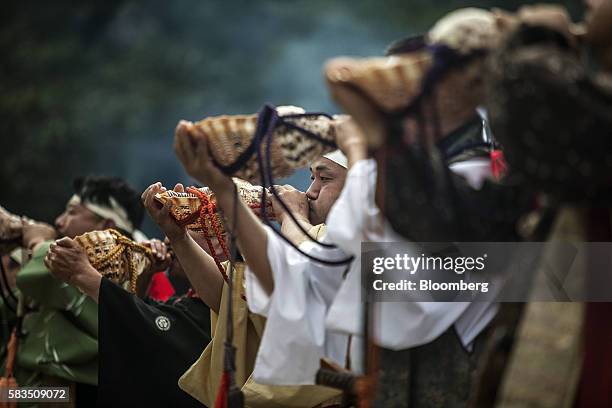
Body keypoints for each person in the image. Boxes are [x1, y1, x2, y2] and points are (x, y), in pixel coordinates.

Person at [46, 227, 213, 407]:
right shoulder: (190, 301)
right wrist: (146, 272)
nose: (166, 239)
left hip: (63, 389)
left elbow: (153, 330)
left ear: (220, 242)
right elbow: (145, 317)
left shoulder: (225, 304)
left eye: (187, 226)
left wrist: (83, 274)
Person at [14, 175, 145, 406]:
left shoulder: (118, 273)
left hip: (63, 395)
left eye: (72, 212)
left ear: (106, 226)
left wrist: (36, 243)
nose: (59, 221)